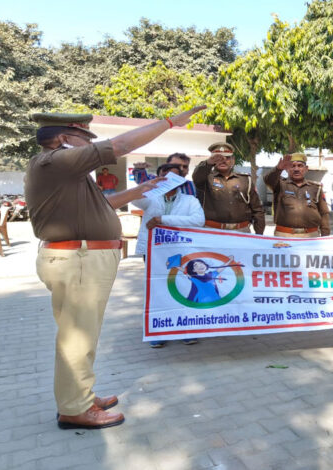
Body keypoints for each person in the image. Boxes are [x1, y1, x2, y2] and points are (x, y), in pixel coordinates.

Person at [26, 107, 205, 429]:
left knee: (81, 334)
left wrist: (139, 191)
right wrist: (169, 123)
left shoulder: (63, 172)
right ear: (65, 138)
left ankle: (80, 394)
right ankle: (74, 408)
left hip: (81, 260)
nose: (89, 146)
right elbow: (119, 147)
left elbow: (102, 205)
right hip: (78, 259)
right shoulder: (57, 161)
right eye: (84, 138)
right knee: (77, 338)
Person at [132, 162, 205, 348]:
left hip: (180, 252)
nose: (169, 179)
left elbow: (198, 220)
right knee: (156, 290)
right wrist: (145, 181)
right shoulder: (150, 197)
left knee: (182, 288)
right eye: (164, 175)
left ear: (181, 180)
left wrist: (162, 220)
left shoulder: (190, 200)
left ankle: (185, 329)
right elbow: (134, 199)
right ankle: (158, 331)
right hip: (154, 253)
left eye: (174, 175)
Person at [193, 143, 265, 234]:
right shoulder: (205, 178)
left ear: (233, 161)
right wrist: (208, 163)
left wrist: (259, 235)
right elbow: (196, 176)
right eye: (218, 158)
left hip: (241, 231)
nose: (223, 161)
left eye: (227, 158)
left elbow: (257, 210)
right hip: (212, 231)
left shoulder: (245, 180)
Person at [264, 153, 330, 237]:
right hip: (284, 235)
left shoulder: (316, 188)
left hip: (311, 235)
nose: (296, 169)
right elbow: (268, 180)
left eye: (300, 166)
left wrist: (325, 235)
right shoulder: (279, 185)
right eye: (292, 166)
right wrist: (278, 169)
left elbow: (324, 213)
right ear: (287, 169)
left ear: (306, 169)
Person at [131, 152, 197, 196]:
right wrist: (140, 169)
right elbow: (141, 181)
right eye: (176, 165)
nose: (181, 169)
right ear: (167, 166)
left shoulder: (192, 185)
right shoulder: (154, 180)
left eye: (185, 167)